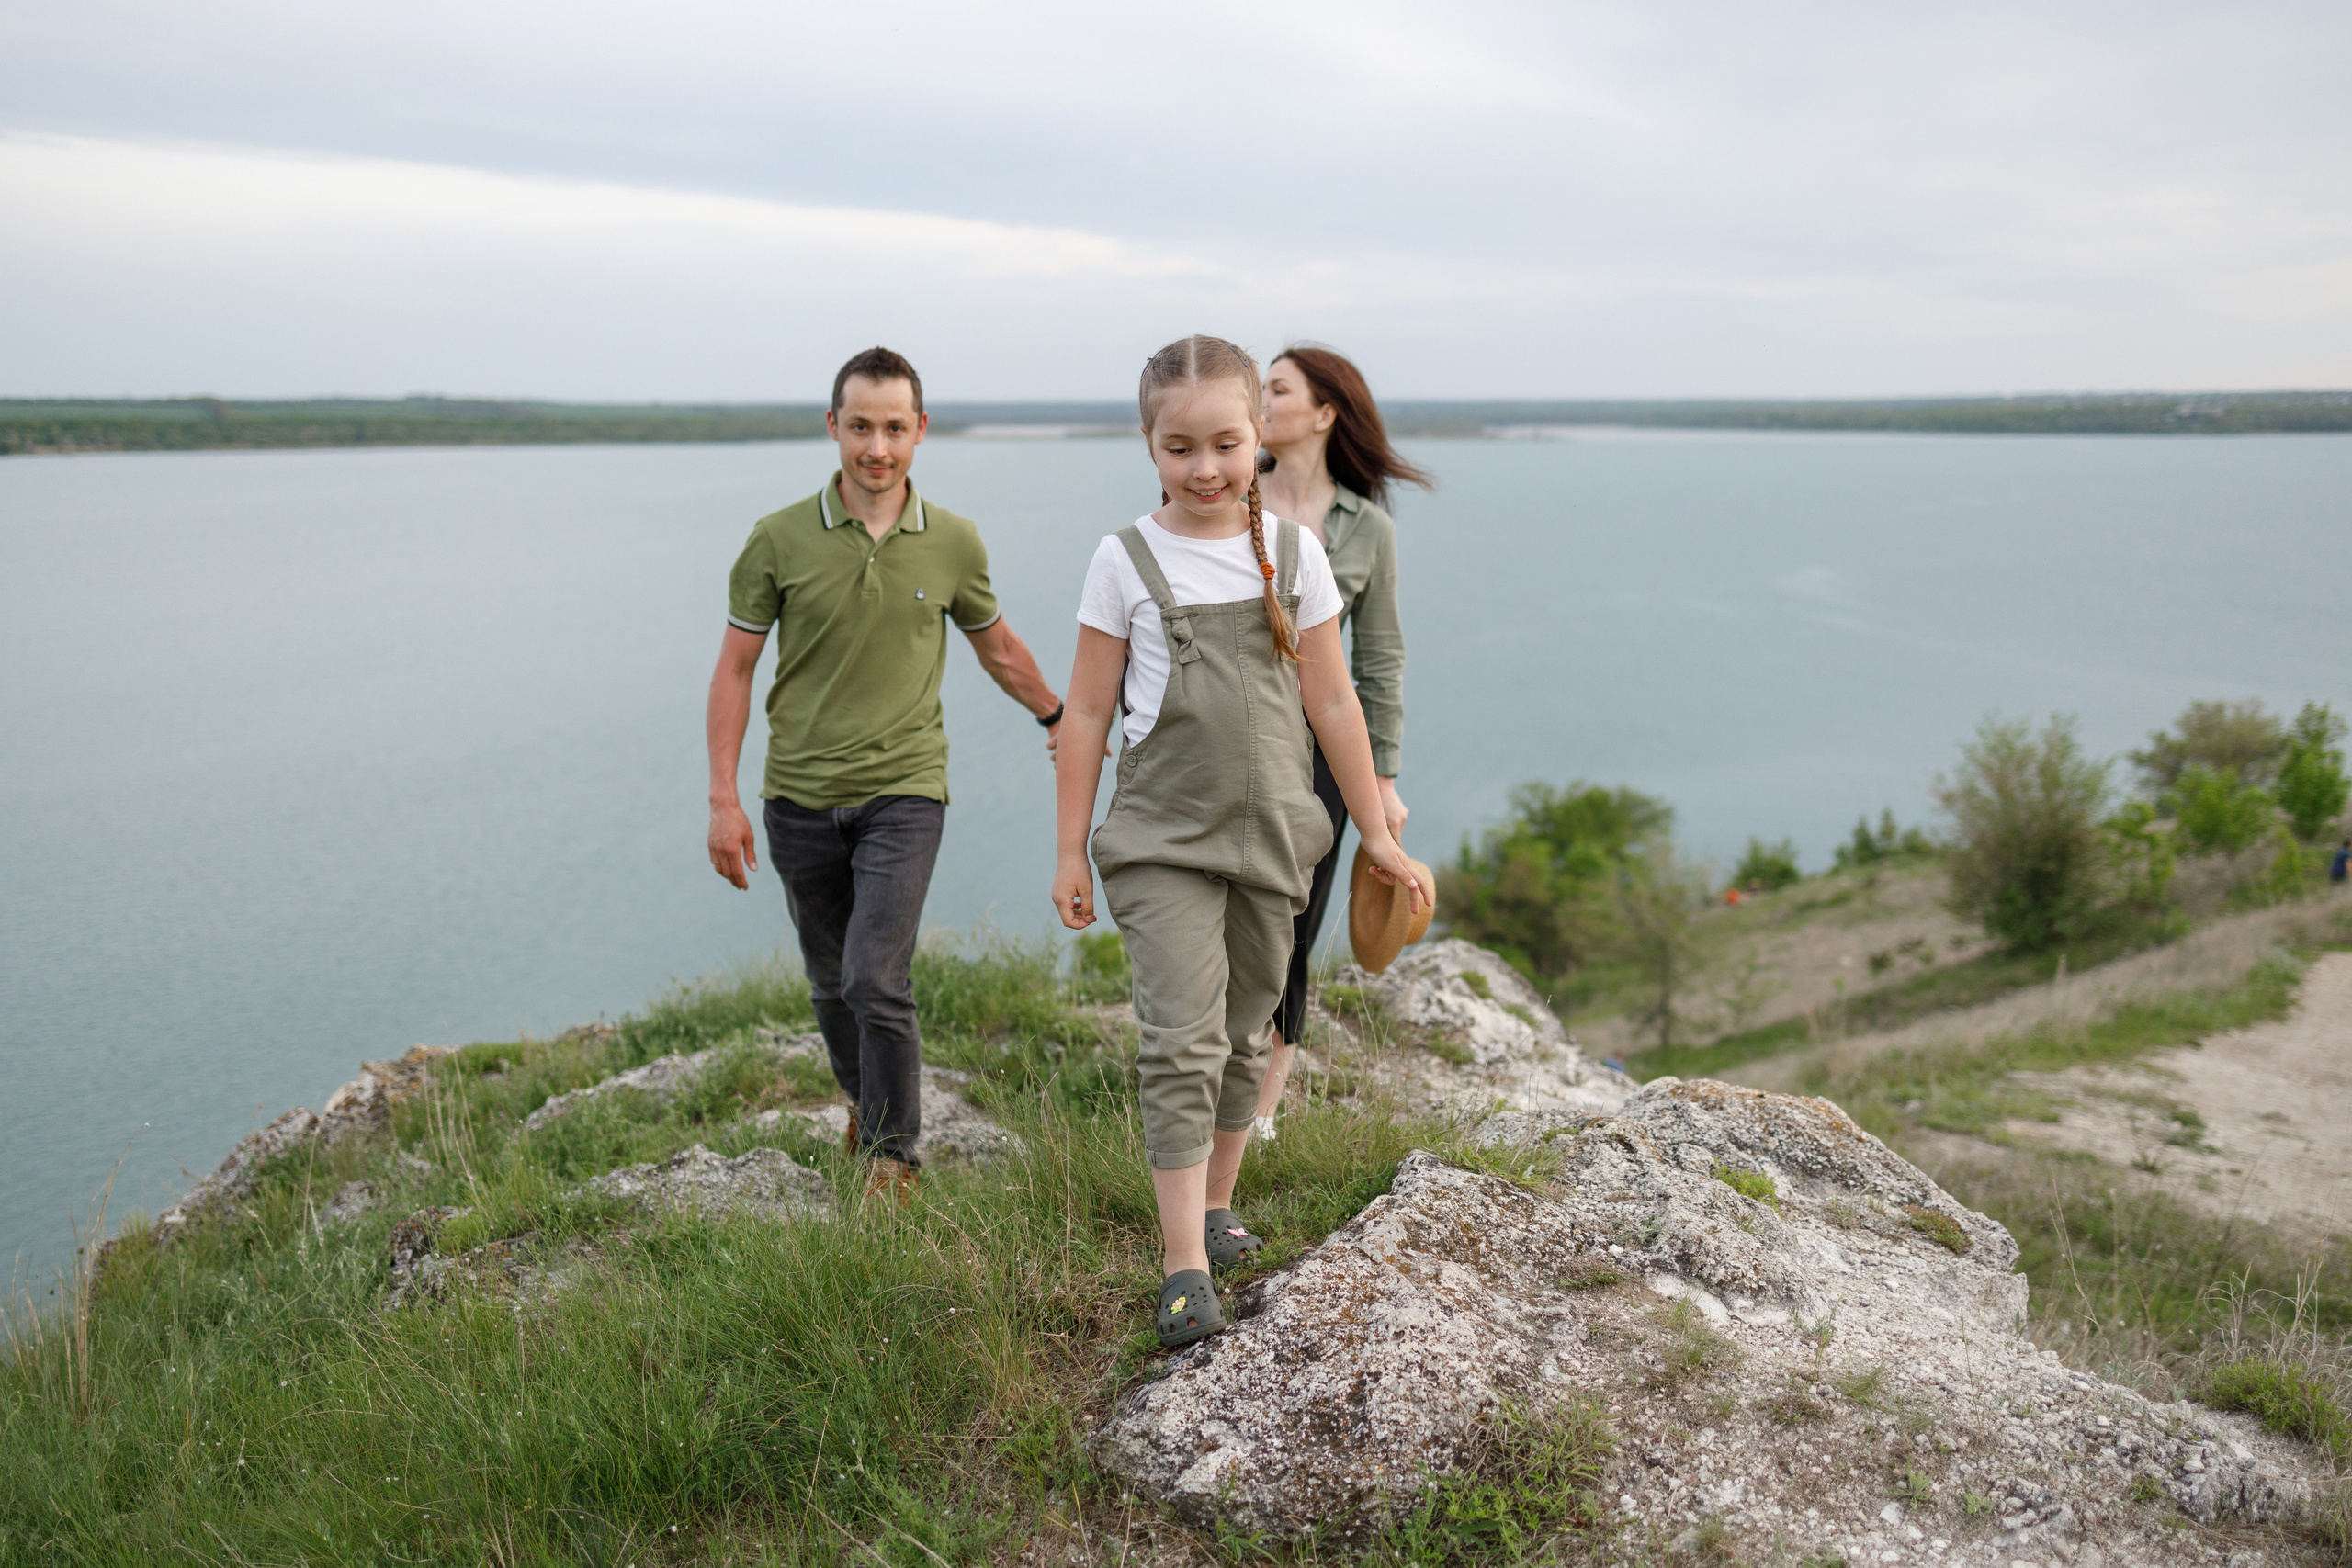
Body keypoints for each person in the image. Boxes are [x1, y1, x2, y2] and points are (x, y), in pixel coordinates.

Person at [1052, 335, 1428, 1347]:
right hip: (1160, 844)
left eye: (1225, 442)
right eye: (1180, 449)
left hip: (1278, 840)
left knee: (1244, 1031)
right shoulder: (1121, 560)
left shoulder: (1299, 556)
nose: (1206, 468)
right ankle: (1181, 1269)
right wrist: (1068, 848)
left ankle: (1216, 1208)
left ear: (1258, 436)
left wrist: (1378, 832)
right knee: (1180, 1039)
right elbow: (1085, 716)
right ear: (1149, 444)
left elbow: (1334, 700)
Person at [706, 346, 1064, 1202]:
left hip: (906, 789)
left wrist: (1059, 717)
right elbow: (733, 671)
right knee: (830, 983)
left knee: (875, 975)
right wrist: (724, 796)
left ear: (920, 432)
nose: (877, 446)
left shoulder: (953, 542)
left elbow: (999, 647)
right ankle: (866, 1104)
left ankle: (895, 1159)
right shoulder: (777, 538)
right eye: (861, 426)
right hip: (796, 796)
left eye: (894, 428)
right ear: (833, 427)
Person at [1250, 344, 1432, 1138]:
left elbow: (1379, 660)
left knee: (1296, 924)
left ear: (1325, 413)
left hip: (1321, 755)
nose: (1260, 398)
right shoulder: (1225, 495)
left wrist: (1381, 781)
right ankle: (1203, 1080)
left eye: (1278, 388)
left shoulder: (1369, 529)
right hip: (1227, 741)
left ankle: (1260, 1111)